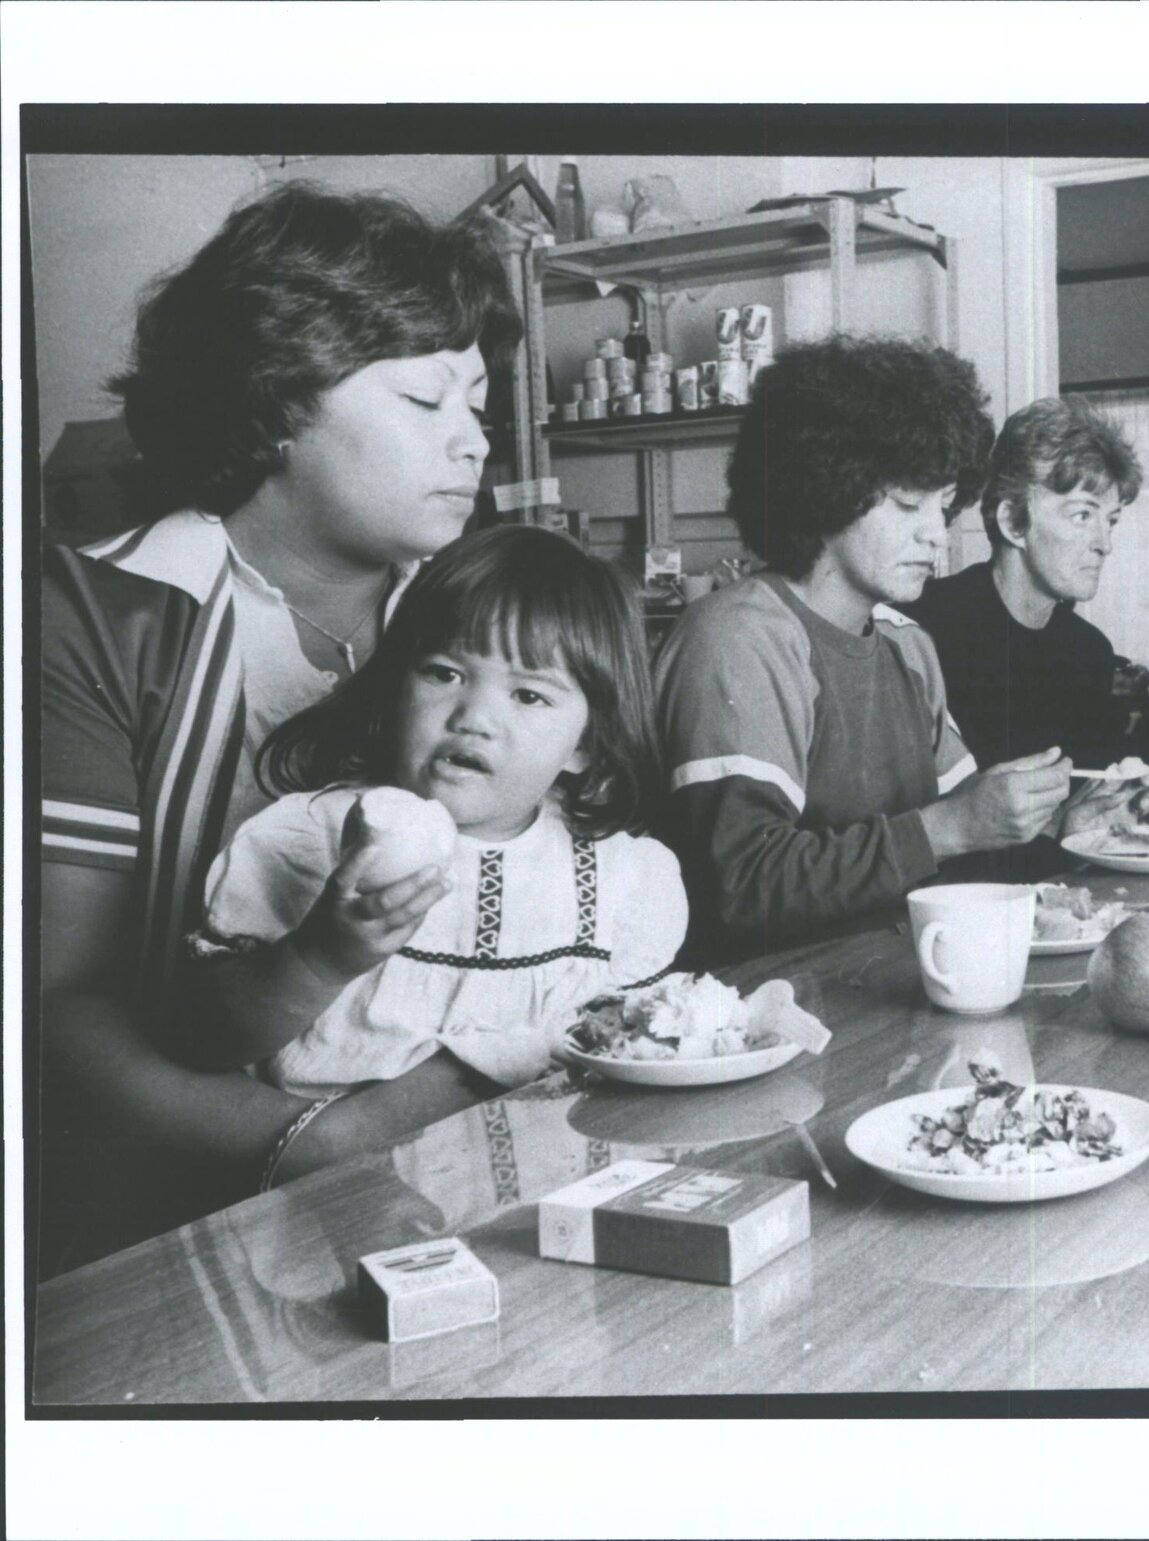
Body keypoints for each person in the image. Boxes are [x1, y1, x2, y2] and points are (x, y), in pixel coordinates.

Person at [38, 183, 521, 1270]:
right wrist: (313, 1141)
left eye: (478, 405)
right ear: (280, 402)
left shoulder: (463, 618)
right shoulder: (91, 618)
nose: (472, 442)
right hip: (159, 1212)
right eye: (422, 403)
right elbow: (56, 1010)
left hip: (443, 1155)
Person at [185, 526, 683, 1126]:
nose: (473, 718)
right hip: (333, 1194)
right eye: (445, 673)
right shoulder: (305, 839)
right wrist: (322, 958)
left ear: (585, 745)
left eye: (528, 696)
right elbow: (203, 1038)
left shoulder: (620, 878)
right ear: (394, 689)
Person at [653, 336, 1125, 961]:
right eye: (909, 504)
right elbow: (744, 885)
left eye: (943, 505)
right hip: (769, 1007)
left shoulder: (907, 646)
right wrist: (954, 825)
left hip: (888, 984)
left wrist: (1061, 825)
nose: (936, 534)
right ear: (827, 486)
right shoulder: (741, 636)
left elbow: (963, 832)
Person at [896, 395, 1142, 769]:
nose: (1104, 545)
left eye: (1110, 520)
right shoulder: (919, 631)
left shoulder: (1090, 652)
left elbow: (1087, 795)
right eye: (1082, 516)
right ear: (1012, 522)